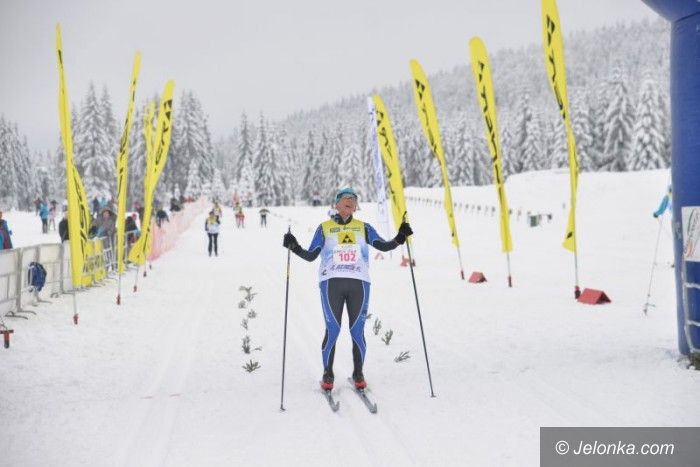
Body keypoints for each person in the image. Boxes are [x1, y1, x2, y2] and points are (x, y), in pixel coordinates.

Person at [282, 187, 413, 390]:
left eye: (354, 198)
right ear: (336, 204)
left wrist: (400, 237)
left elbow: (384, 246)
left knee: (357, 331)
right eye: (346, 197)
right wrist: (294, 246)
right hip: (331, 283)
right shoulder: (324, 228)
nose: (350, 200)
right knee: (333, 329)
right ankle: (328, 375)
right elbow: (311, 256)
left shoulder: (363, 227)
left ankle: (358, 374)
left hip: (359, 283)